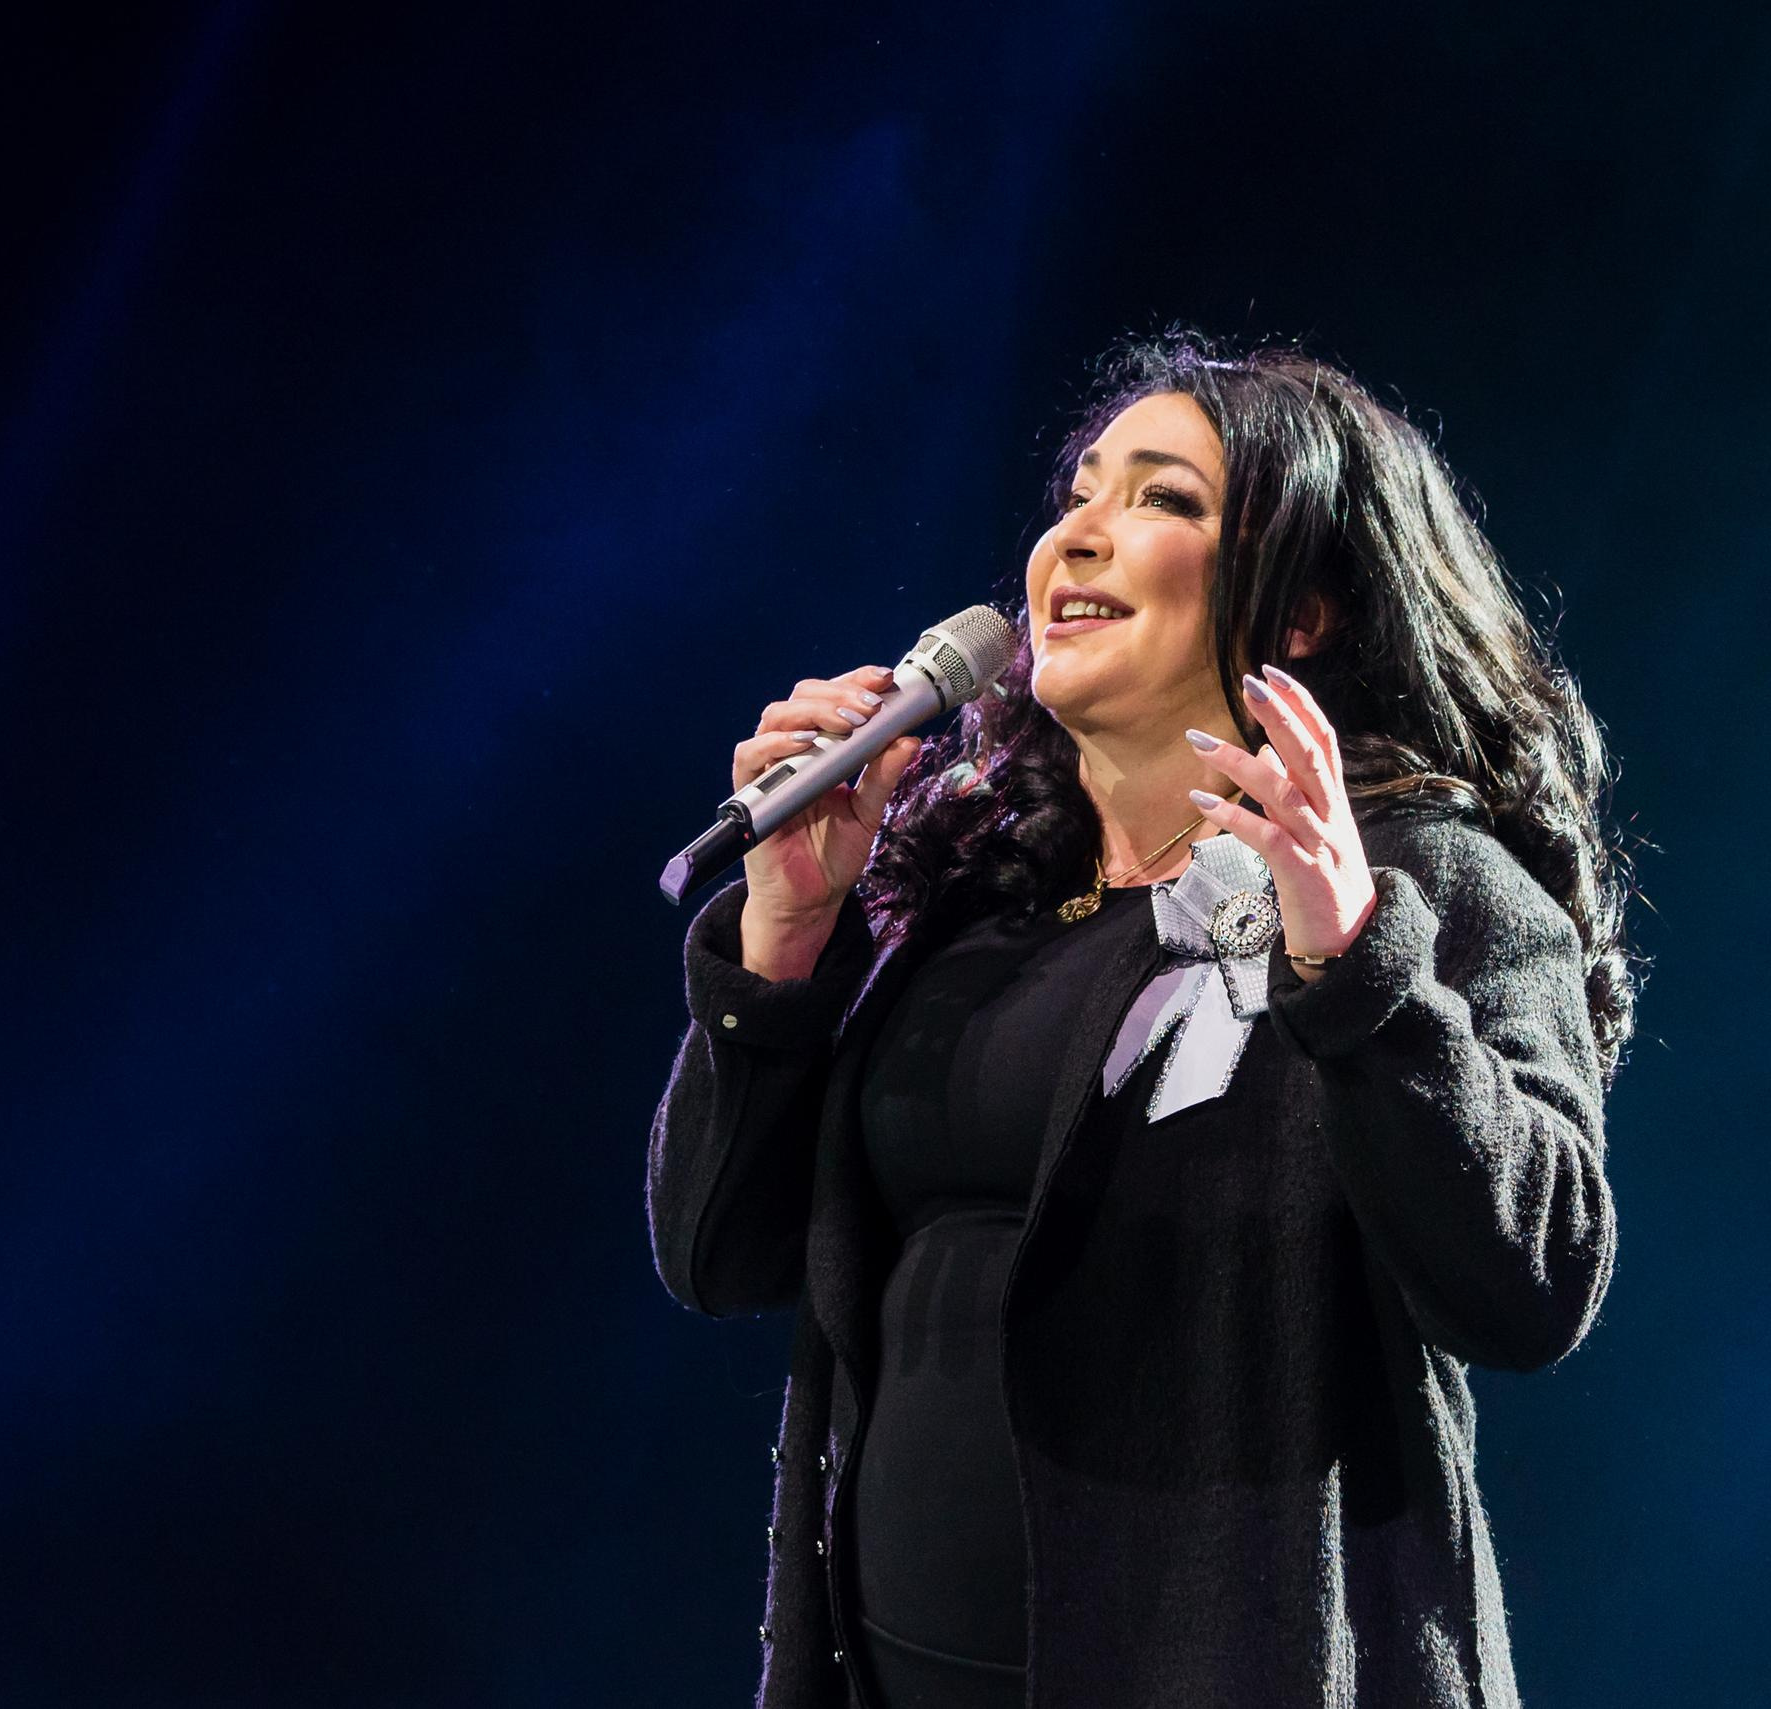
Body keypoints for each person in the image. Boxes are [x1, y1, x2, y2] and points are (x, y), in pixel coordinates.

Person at [645, 330, 1639, 1709]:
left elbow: (1532, 1281)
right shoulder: (967, 893)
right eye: (1080, 495)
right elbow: (713, 1251)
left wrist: (1354, 962)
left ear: (1302, 613)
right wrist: (786, 939)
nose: (1081, 538)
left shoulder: (1419, 880)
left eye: (1163, 500)